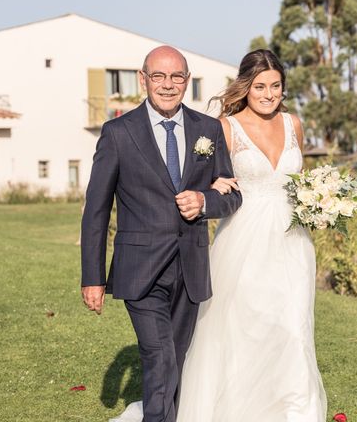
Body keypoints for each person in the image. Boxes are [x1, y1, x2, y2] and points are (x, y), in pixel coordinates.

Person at [81, 45, 242, 422]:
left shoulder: (208, 129)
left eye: (176, 77)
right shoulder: (118, 133)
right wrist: (93, 277)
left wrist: (204, 202)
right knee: (160, 354)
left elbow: (232, 195)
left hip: (190, 267)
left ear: (186, 81)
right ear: (143, 79)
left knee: (178, 357)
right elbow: (96, 211)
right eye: (159, 76)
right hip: (139, 268)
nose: (167, 85)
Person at [176, 49, 327, 420]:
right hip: (244, 240)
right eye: (260, 86)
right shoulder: (225, 128)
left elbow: (297, 182)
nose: (268, 94)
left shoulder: (294, 124)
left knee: (293, 326)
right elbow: (199, 181)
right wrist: (213, 184)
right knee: (246, 327)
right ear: (246, 86)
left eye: (276, 86)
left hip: (293, 242)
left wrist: (319, 199)